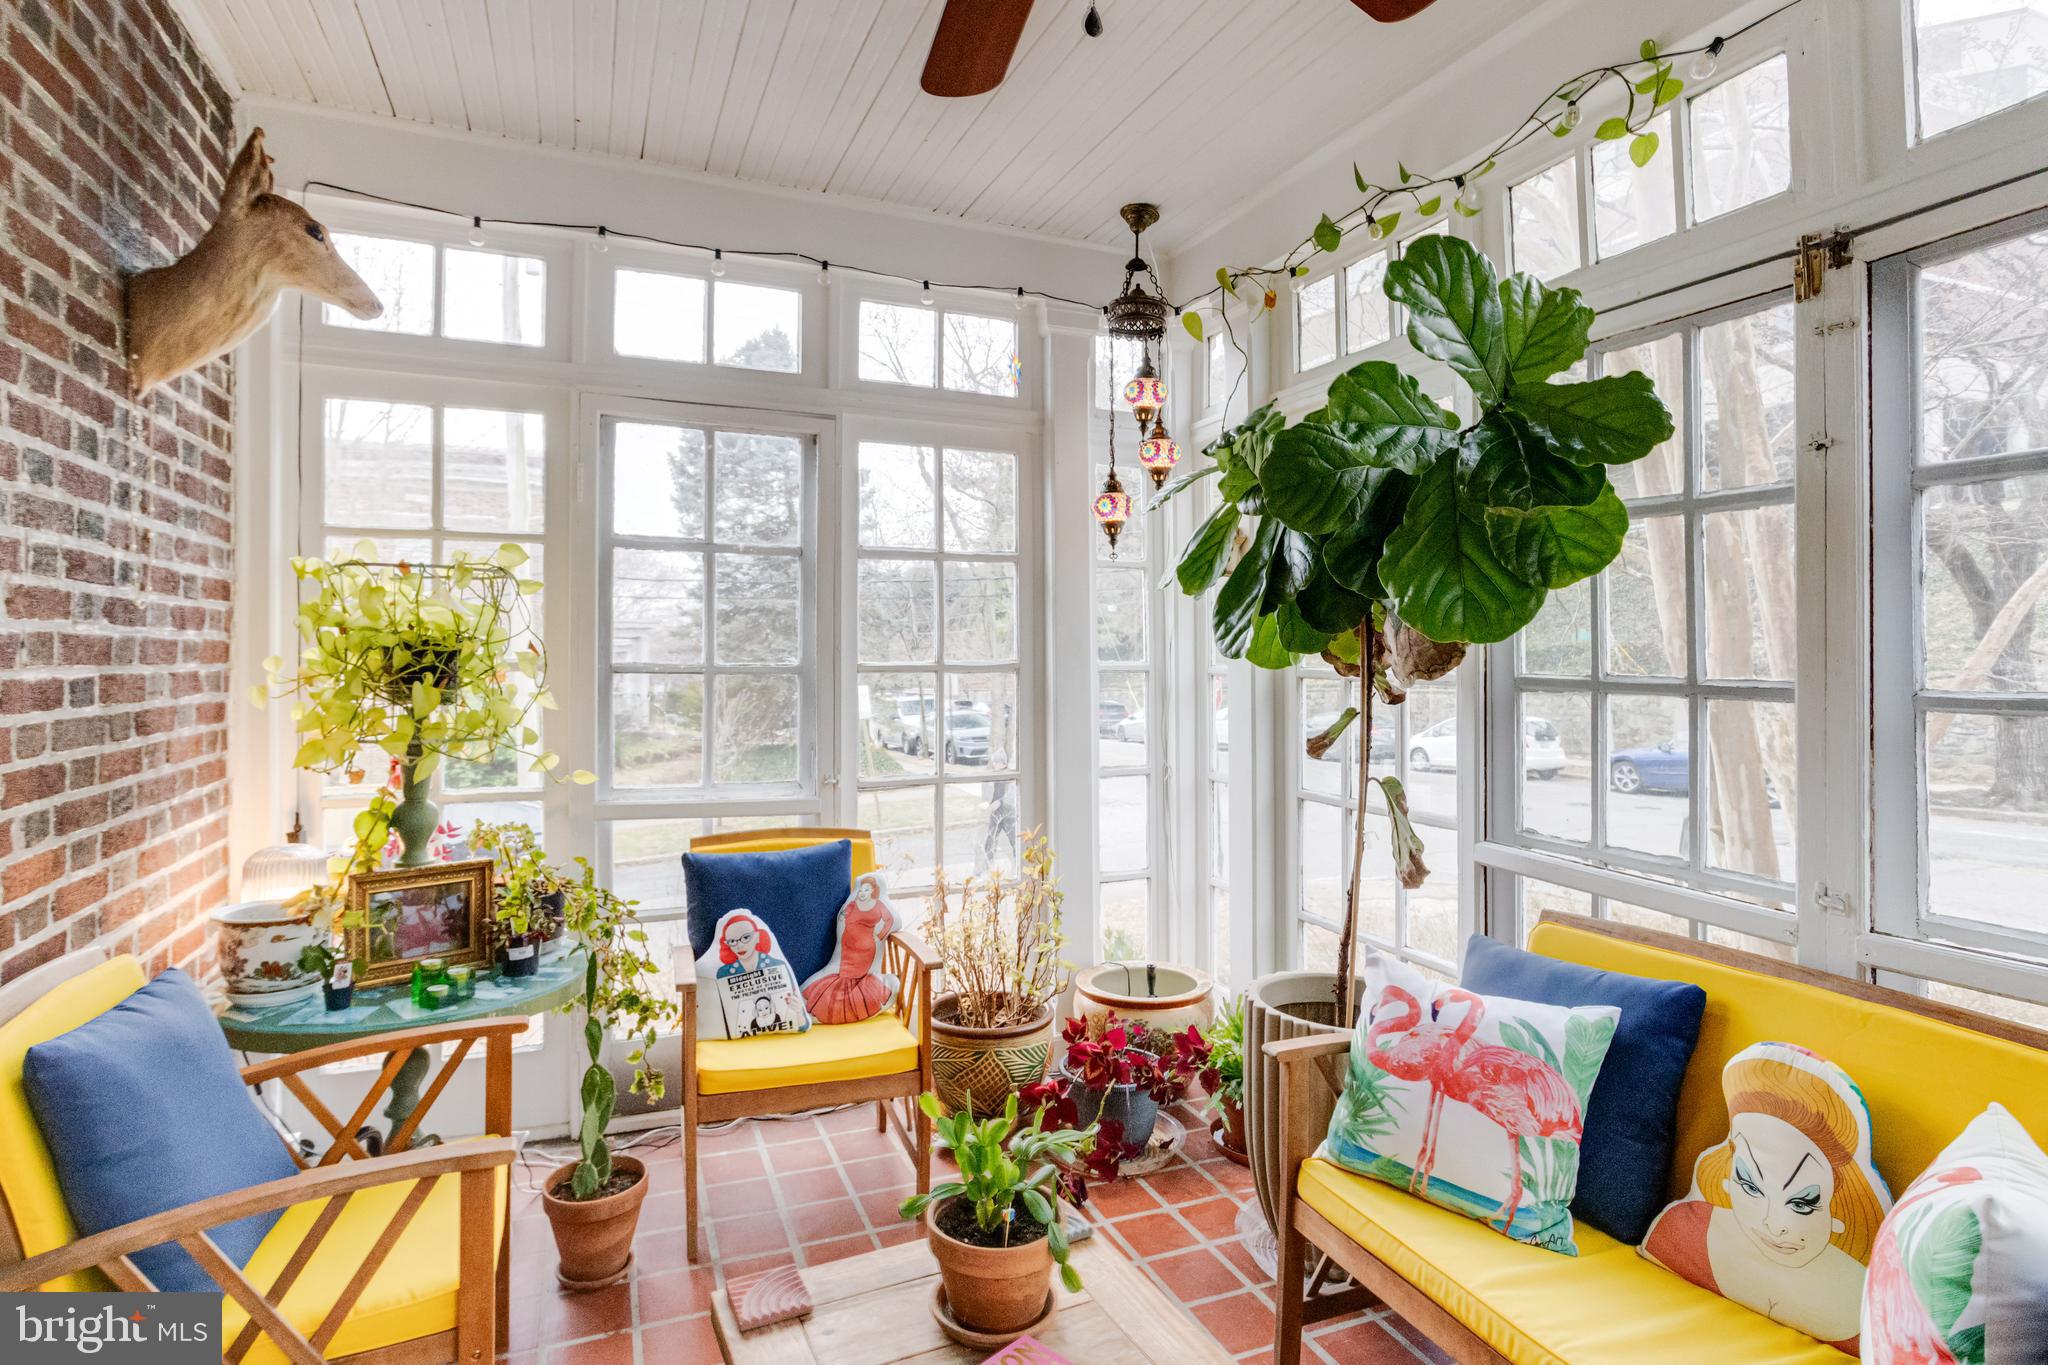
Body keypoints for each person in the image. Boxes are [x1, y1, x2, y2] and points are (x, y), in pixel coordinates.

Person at [1641, 1042, 1890, 1353]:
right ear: (1729, 1180)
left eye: (1802, 1203)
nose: (1774, 1224)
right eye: (1750, 1186)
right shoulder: (1680, 1232)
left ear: (1836, 1209)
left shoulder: (1869, 1309)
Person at [802, 873, 898, 1024]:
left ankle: (847, 1009)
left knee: (856, 978)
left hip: (866, 950)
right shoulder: (852, 904)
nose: (862, 893)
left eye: (866, 890)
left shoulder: (879, 905)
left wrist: (880, 935)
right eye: (860, 890)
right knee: (844, 976)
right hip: (848, 948)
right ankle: (837, 1008)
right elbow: (843, 917)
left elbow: (891, 920)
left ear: (873, 891)